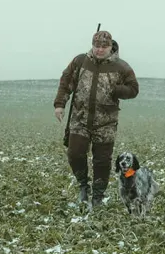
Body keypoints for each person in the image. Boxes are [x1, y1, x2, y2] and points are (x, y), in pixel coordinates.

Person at [54, 30, 140, 209]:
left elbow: (133, 89)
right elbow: (66, 81)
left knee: (102, 160)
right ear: (92, 45)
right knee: (75, 153)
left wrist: (118, 90)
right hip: (80, 118)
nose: (99, 50)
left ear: (110, 47)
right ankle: (83, 187)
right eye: (96, 46)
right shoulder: (80, 61)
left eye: (104, 47)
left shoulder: (121, 67)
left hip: (106, 122)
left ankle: (98, 196)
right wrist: (60, 104)